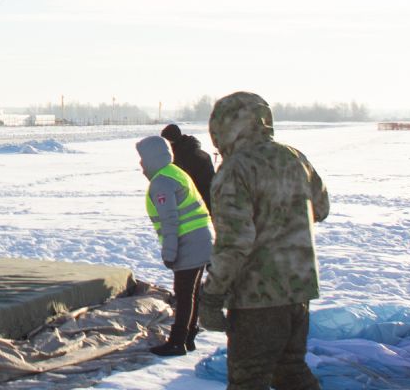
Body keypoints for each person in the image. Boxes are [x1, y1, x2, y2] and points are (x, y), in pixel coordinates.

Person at [199, 91, 330, 390]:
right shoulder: (294, 158)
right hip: (298, 290)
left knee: (249, 380)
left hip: (256, 299)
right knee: (291, 371)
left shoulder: (235, 170)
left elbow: (234, 242)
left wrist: (212, 295)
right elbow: (320, 209)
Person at [136, 135, 212, 357]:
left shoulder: (161, 182)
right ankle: (188, 336)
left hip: (188, 243)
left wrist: (169, 252)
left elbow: (170, 220)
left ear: (151, 158)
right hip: (201, 240)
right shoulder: (176, 172)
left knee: (184, 293)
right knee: (192, 293)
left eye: (142, 159)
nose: (140, 164)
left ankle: (177, 341)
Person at [161, 122, 215, 209]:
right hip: (208, 196)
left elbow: (183, 179)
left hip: (199, 198)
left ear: (171, 140)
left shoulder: (183, 155)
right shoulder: (189, 151)